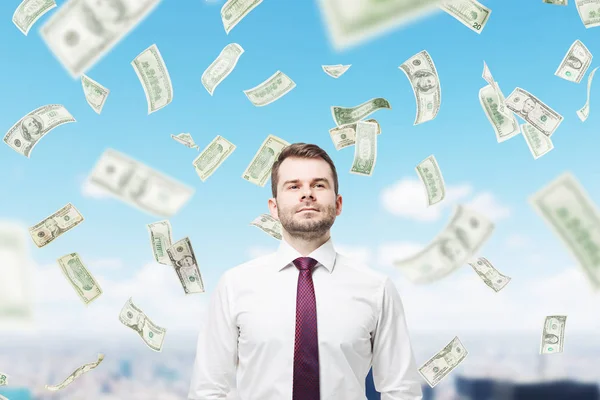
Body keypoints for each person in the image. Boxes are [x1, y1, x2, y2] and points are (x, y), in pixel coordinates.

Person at [188, 143, 423, 399]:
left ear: (339, 203)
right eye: (293, 186)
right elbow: (209, 389)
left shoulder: (377, 289)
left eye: (319, 185)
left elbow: (401, 390)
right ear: (274, 207)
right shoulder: (234, 286)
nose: (307, 194)